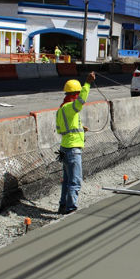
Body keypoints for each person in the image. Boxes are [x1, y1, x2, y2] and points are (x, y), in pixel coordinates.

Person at [56, 72, 95, 214]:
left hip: (65, 148)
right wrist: (88, 83)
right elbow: (81, 102)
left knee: (67, 181)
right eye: (78, 94)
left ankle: (63, 206)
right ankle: (71, 209)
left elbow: (62, 129)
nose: (79, 96)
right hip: (73, 149)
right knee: (75, 181)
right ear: (75, 94)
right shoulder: (70, 107)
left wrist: (80, 128)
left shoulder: (61, 109)